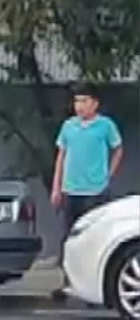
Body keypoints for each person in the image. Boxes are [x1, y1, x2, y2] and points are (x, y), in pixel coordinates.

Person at [51, 82, 124, 298]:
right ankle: (68, 282)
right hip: (71, 189)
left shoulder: (105, 126)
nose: (79, 106)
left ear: (95, 104)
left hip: (95, 190)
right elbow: (61, 157)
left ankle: (92, 286)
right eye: (77, 101)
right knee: (69, 237)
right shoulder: (69, 126)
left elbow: (118, 149)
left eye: (84, 101)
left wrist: (109, 174)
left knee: (93, 238)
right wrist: (57, 186)